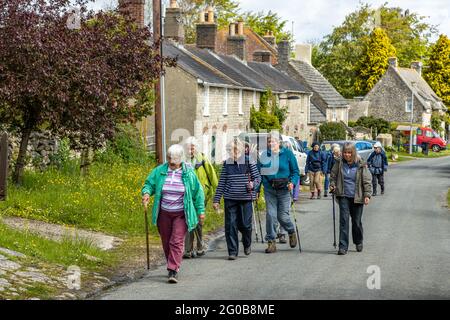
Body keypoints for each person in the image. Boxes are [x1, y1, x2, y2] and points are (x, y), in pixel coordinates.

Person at [141, 144, 205, 283]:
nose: (171, 163)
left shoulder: (188, 173)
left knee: (176, 241)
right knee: (166, 241)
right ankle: (172, 262)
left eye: (174, 161)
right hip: (163, 213)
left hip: (181, 213)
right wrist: (146, 193)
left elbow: (197, 193)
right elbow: (149, 184)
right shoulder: (160, 171)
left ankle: (173, 269)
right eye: (169, 159)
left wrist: (201, 211)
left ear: (181, 159)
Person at [213, 139, 261, 260]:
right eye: (229, 150)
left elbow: (257, 178)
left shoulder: (249, 160)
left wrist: (253, 184)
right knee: (230, 225)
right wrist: (216, 199)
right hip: (230, 198)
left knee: (245, 225)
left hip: (245, 198)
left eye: (234, 149)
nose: (232, 152)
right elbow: (222, 182)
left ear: (240, 150)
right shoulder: (227, 163)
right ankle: (232, 252)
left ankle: (247, 243)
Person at [259, 132, 300, 253]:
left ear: (279, 142)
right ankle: (271, 242)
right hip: (270, 189)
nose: (271, 143)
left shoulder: (287, 154)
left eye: (274, 141)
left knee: (282, 216)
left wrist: (292, 182)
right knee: (271, 215)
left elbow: (295, 171)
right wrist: (257, 189)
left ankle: (291, 231)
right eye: (269, 141)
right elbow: (260, 173)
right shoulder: (264, 156)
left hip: (284, 189)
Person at [329, 142, 372, 255]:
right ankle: (343, 247)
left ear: (353, 153)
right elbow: (333, 176)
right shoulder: (339, 163)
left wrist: (367, 195)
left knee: (356, 222)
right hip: (343, 195)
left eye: (349, 152)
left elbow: (367, 181)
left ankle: (358, 241)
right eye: (345, 152)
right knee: (344, 221)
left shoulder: (361, 165)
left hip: (357, 197)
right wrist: (332, 184)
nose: (347, 155)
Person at [183, 137, 218, 259]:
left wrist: (217, 194)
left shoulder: (202, 159)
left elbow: (212, 175)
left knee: (198, 221)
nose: (190, 149)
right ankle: (188, 249)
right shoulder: (183, 161)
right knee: (188, 221)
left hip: (201, 194)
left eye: (192, 147)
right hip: (187, 195)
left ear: (196, 148)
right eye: (188, 147)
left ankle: (199, 246)